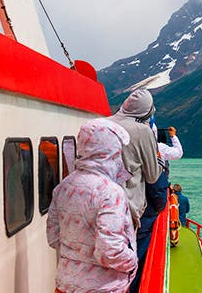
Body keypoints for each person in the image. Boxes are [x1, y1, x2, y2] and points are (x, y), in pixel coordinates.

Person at [46, 118, 137, 293]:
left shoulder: (63, 186)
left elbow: (53, 237)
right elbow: (110, 251)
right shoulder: (110, 192)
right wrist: (132, 261)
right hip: (104, 288)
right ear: (110, 151)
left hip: (65, 284)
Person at [108, 89, 163, 229]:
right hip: (126, 204)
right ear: (148, 111)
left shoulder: (102, 122)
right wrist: (160, 162)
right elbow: (152, 176)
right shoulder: (143, 131)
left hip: (99, 199)